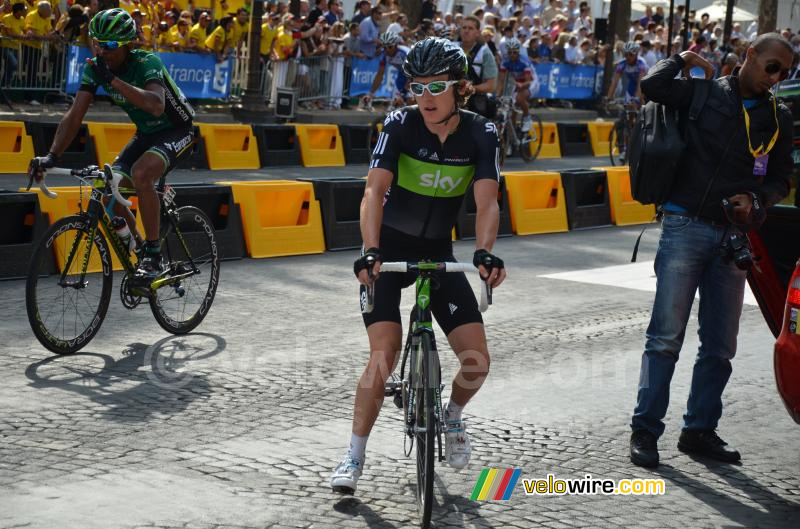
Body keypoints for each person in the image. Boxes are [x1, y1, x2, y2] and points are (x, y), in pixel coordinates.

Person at [330, 37, 506, 495]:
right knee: (384, 352)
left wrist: (484, 252)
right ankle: (353, 454)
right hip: (386, 251)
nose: (425, 98)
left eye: (436, 87)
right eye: (416, 87)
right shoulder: (400, 124)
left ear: (460, 88)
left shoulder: (481, 133)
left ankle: (451, 416)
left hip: (438, 254)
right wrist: (370, 250)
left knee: (477, 361)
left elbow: (487, 201)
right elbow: (373, 191)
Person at [628, 33, 793, 469]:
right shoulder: (703, 92)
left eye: (786, 72)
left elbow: (780, 178)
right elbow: (652, 87)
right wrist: (680, 58)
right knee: (665, 339)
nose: (776, 78)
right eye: (772, 67)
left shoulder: (779, 117)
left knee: (720, 346)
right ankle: (645, 430)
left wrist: (757, 203)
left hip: (734, 238)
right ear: (749, 56)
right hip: (685, 226)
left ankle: (699, 430)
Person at [27, 8, 195, 284]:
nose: (102, 51)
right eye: (97, 43)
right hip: (145, 135)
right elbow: (75, 115)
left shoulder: (145, 62)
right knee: (107, 189)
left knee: (141, 174)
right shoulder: (95, 68)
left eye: (110, 45)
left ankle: (154, 255)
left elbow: (156, 105)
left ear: (128, 43)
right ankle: (139, 247)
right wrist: (51, 155)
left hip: (178, 130)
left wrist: (113, 81)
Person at [460, 14, 498, 120]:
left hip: (475, 104)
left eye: (470, 28)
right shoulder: (451, 48)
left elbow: (491, 85)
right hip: (451, 102)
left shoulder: (484, 52)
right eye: (464, 27)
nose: (466, 31)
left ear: (477, 33)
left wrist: (470, 89)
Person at [498, 38, 536, 131]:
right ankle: (513, 135)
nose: (512, 55)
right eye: (510, 52)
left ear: (518, 52)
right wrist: (498, 95)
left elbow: (527, 82)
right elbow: (501, 81)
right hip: (517, 82)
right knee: (510, 107)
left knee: (519, 98)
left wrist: (521, 85)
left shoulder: (524, 61)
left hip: (531, 81)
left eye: (514, 52)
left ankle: (527, 119)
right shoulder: (505, 61)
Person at [362, 31, 408, 107]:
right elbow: (380, 74)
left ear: (396, 45)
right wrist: (370, 94)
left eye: (390, 46)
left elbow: (412, 76)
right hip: (402, 74)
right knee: (396, 105)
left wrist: (403, 94)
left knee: (409, 101)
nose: (387, 50)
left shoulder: (404, 54)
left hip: (416, 74)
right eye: (384, 47)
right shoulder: (385, 55)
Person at [1, 2, 26, 87]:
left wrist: (28, 33)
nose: (25, 12)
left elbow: (25, 30)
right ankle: (5, 84)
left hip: (15, 47)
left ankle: (5, 85)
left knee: (10, 67)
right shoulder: (7, 18)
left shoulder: (22, 19)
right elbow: (9, 33)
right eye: (23, 10)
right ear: (19, 11)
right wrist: (22, 37)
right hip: (5, 46)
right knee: (14, 64)